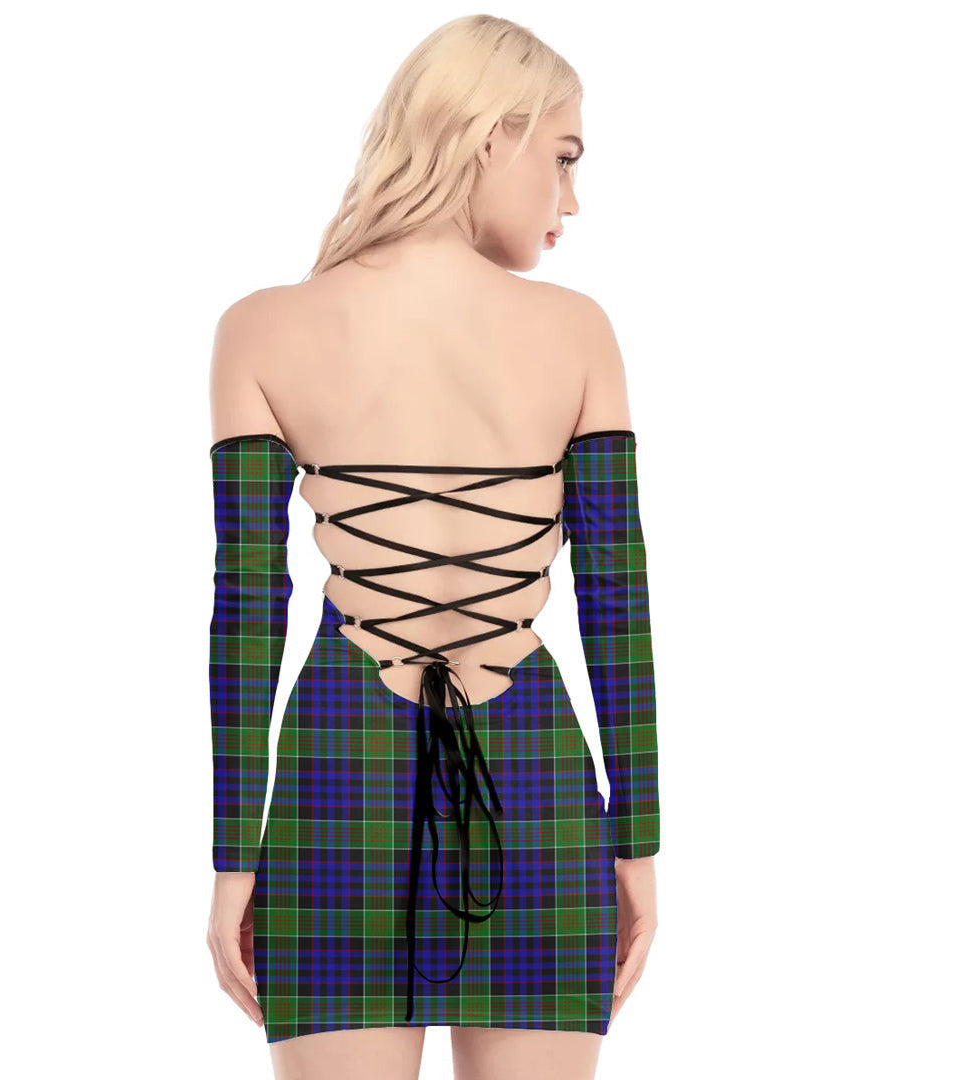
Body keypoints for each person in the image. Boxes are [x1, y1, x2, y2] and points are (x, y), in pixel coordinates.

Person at [206, 15, 659, 1080]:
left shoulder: (260, 329)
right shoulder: (579, 332)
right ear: (493, 135)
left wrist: (232, 859)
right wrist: (638, 844)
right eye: (564, 157)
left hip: (335, 781)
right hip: (535, 777)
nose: (571, 201)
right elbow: (617, 605)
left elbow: (246, 615)